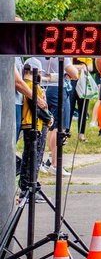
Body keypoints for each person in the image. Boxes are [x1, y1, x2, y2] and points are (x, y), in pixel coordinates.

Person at [27, 55, 79, 176]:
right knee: (59, 127)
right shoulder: (62, 54)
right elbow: (75, 74)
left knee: (45, 125)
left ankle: (42, 160)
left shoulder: (36, 55)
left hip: (42, 87)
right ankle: (55, 163)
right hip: (57, 88)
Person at [19, 63, 50, 195]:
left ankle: (25, 184)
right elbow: (35, 106)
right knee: (35, 157)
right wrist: (48, 118)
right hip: (35, 124)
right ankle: (29, 185)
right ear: (35, 72)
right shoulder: (33, 87)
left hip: (27, 124)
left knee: (28, 155)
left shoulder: (24, 86)